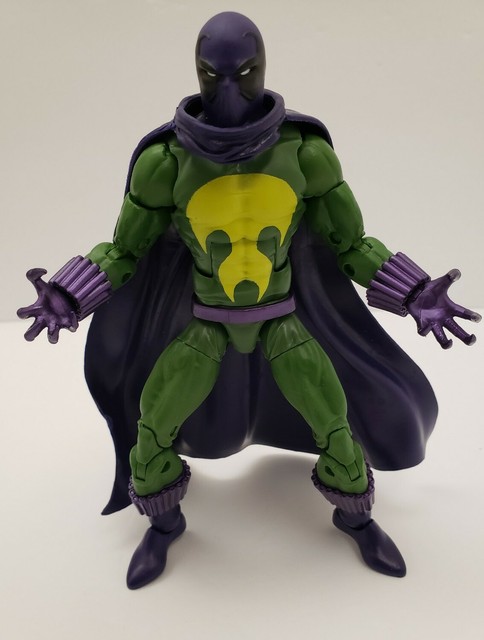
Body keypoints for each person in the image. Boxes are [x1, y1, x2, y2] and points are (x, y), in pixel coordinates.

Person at [18, 12, 480, 589]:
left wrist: (413, 291)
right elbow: (125, 250)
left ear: (263, 68)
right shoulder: (167, 163)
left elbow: (351, 244)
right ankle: (163, 526)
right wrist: (70, 293)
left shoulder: (304, 154)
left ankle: (357, 519)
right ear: (197, 72)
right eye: (214, 75)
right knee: (152, 431)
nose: (230, 90)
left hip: (282, 323)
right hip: (205, 327)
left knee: (337, 430)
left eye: (244, 73)